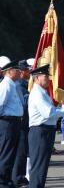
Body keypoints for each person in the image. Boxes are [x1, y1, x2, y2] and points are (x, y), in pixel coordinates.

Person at [28, 64, 64, 188]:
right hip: (40, 131)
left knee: (42, 166)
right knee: (38, 167)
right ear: (36, 78)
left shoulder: (42, 92)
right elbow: (48, 113)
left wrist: (61, 109)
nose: (48, 79)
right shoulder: (37, 93)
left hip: (45, 131)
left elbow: (50, 110)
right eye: (45, 76)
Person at [0, 60, 23, 188]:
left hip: (13, 122)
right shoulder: (5, 85)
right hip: (7, 122)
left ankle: (7, 180)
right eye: (17, 70)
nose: (20, 72)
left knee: (12, 153)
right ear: (9, 72)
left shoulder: (12, 84)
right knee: (6, 153)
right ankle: (2, 181)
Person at [12, 60, 31, 187]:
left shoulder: (24, 84)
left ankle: (20, 175)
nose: (29, 71)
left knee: (23, 152)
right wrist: (31, 95)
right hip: (21, 123)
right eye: (27, 70)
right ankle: (17, 177)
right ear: (21, 72)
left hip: (24, 123)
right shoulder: (19, 85)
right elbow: (24, 104)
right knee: (20, 152)